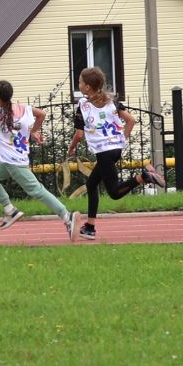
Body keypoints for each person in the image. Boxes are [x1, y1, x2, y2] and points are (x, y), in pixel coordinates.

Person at [0, 79, 79, 240]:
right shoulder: (22, 108)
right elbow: (42, 114)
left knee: (36, 190)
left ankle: (66, 216)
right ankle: (10, 210)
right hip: (12, 159)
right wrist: (33, 131)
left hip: (12, 162)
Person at [66, 66, 164, 240]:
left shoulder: (83, 106)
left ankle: (143, 177)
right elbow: (131, 120)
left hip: (103, 152)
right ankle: (90, 227)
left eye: (80, 81)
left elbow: (79, 134)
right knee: (91, 184)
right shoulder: (111, 101)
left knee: (114, 193)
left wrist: (71, 148)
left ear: (87, 87)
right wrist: (122, 140)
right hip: (115, 149)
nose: (79, 84)